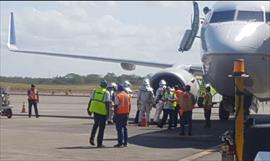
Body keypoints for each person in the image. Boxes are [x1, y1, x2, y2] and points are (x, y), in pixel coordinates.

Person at [88, 80, 110, 148]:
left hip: (94, 109)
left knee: (96, 124)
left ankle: (92, 138)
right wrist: (108, 113)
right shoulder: (106, 92)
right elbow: (107, 103)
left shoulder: (95, 90)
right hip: (102, 110)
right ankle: (99, 143)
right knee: (102, 128)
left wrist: (88, 109)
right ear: (106, 86)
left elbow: (91, 100)